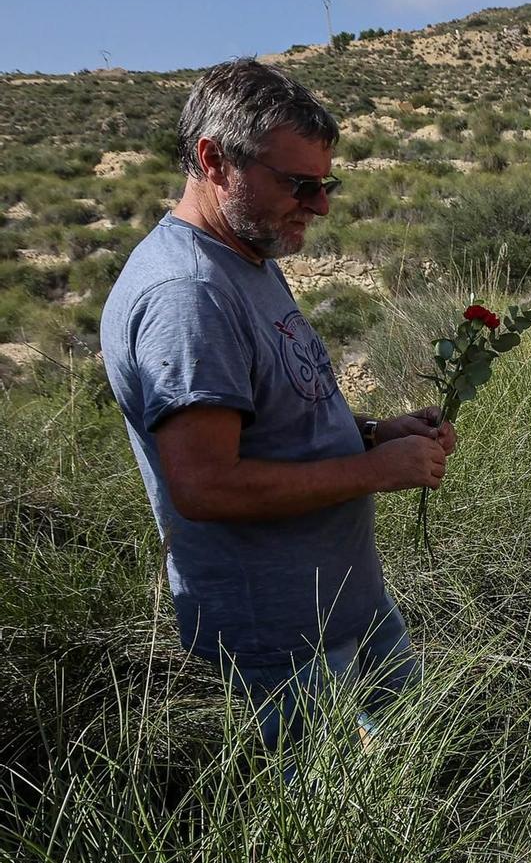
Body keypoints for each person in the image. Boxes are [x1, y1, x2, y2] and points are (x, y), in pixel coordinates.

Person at [100, 58, 454, 749]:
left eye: (326, 184)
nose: (319, 205)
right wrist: (377, 472)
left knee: (421, 771)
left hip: (344, 602)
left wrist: (375, 434)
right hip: (281, 636)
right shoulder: (188, 295)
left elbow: (275, 420)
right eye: (298, 185)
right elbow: (203, 485)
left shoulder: (247, 256)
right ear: (214, 160)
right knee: (334, 829)